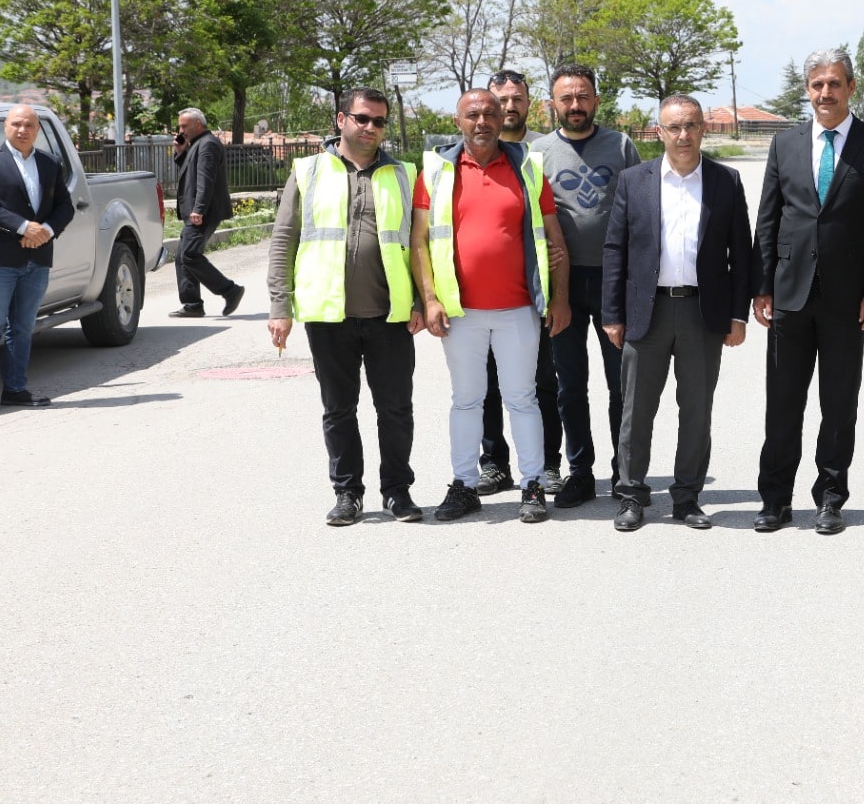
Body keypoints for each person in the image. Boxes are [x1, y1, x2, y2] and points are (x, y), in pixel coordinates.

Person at [752, 47, 864, 534]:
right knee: (782, 404)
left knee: (839, 405)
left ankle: (830, 497)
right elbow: (769, 219)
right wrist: (762, 287)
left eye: (834, 84)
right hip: (789, 296)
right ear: (807, 89)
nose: (825, 93)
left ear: (851, 88)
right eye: (817, 84)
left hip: (847, 300)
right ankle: (775, 499)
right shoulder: (785, 144)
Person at [266, 88, 425, 525]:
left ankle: (397, 491)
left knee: (395, 409)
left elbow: (418, 243)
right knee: (339, 410)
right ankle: (347, 493)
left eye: (379, 121)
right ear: (341, 120)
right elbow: (284, 239)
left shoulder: (404, 174)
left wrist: (419, 299)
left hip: (390, 315)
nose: (371, 128)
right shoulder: (309, 170)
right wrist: (280, 305)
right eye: (362, 119)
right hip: (327, 314)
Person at [411, 87, 570, 524]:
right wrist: (429, 299)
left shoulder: (528, 168)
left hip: (519, 309)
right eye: (471, 115)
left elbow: (555, 240)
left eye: (489, 114)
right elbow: (419, 241)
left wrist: (559, 298)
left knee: (523, 399)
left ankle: (532, 485)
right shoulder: (437, 171)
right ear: (458, 121)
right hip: (460, 313)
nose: (481, 122)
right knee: (467, 400)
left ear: (503, 119)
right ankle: (463, 485)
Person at [604, 96, 752, 531]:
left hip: (702, 314)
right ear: (659, 132)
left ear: (704, 128)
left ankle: (687, 498)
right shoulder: (634, 180)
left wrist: (737, 315)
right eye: (674, 127)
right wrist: (613, 313)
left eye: (690, 126)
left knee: (697, 409)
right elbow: (615, 249)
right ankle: (632, 495)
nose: (683, 135)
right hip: (644, 314)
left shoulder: (726, 181)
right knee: (637, 410)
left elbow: (741, 253)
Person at [531, 62, 641, 508]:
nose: (575, 106)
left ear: (596, 100)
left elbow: (642, 207)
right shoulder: (537, 153)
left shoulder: (621, 145)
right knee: (569, 385)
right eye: (566, 98)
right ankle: (579, 471)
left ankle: (625, 471)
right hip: (562, 283)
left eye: (583, 97)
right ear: (552, 104)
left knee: (622, 385)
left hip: (615, 280)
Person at [473, 69, 565, 497]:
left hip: (533, 294)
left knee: (542, 381)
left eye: (517, 99)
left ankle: (547, 463)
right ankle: (493, 464)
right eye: (501, 100)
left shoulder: (540, 156)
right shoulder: (464, 158)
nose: (509, 107)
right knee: (486, 384)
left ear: (531, 104)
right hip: (480, 298)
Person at [0, 104, 74, 415]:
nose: (22, 130)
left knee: (23, 327)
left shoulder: (50, 163)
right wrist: (25, 227)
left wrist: (47, 231)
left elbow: (64, 206)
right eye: (16, 124)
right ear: (5, 127)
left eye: (29, 125)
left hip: (37, 258)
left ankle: (15, 389)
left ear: (37, 130)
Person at [171, 108, 246, 318]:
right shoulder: (198, 144)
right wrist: (180, 152)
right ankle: (192, 304)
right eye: (180, 126)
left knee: (189, 255)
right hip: (197, 211)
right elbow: (190, 170)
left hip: (204, 211)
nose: (181, 130)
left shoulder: (208, 145)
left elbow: (206, 180)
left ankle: (230, 291)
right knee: (182, 256)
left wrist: (198, 209)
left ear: (198, 124)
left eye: (184, 126)